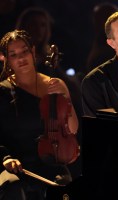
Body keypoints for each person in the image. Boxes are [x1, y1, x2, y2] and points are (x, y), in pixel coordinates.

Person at [0, 30, 79, 200]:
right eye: (13, 55)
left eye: (24, 52)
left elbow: (72, 129)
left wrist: (66, 99)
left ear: (33, 52)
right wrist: (6, 158)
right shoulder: (3, 91)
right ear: (6, 60)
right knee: (13, 187)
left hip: (49, 160)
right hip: (15, 164)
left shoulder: (54, 85)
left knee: (64, 188)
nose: (21, 58)